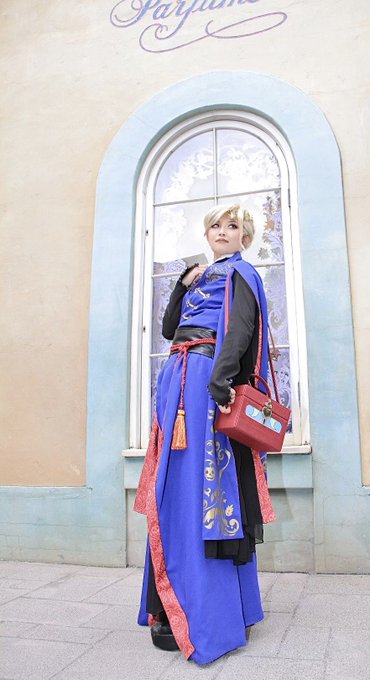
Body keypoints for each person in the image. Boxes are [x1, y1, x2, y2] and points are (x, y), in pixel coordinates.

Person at [134, 203, 276, 665]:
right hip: (177, 380)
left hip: (202, 382)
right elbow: (169, 329)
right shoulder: (201, 277)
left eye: (232, 226)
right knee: (175, 487)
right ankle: (172, 601)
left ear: (245, 238)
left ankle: (207, 612)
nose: (222, 231)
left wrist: (220, 382)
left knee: (202, 488)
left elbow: (240, 330)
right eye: (216, 225)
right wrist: (181, 285)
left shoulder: (241, 273)